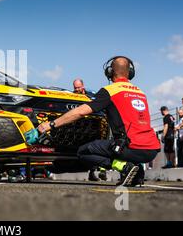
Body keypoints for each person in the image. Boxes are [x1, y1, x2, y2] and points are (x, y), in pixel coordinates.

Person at [32, 56, 160, 187]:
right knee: (120, 142)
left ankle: (124, 166)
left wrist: (50, 124)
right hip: (152, 150)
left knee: (83, 152)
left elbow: (81, 111)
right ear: (130, 73)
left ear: (110, 72)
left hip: (130, 148)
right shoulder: (141, 92)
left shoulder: (110, 91)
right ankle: (136, 175)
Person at [73, 78, 107, 182]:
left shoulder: (92, 94)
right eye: (75, 88)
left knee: (97, 147)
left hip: (92, 126)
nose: (77, 89)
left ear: (83, 86)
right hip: (78, 126)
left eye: (78, 87)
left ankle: (100, 171)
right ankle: (92, 173)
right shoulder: (72, 95)